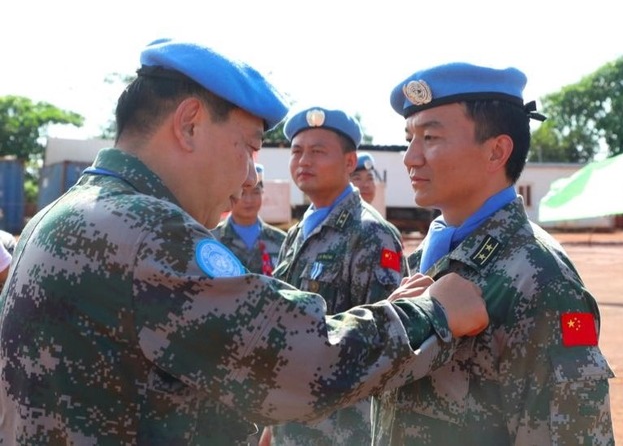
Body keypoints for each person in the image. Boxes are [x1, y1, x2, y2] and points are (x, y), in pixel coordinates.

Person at [0, 38, 488, 445]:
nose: (252, 171)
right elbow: (295, 361)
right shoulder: (147, 231)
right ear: (189, 124)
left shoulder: (64, 214)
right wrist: (432, 313)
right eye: (249, 147)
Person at [371, 62, 615, 445]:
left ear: (497, 151)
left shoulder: (541, 280)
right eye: (409, 139)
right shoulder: (423, 262)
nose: (410, 158)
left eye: (430, 137)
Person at [268, 107, 409, 445]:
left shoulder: (371, 235)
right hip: (293, 421)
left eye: (318, 152)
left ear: (349, 163)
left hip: (344, 431)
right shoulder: (297, 233)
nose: (304, 161)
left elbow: (385, 340)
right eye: (297, 151)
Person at [212, 163, 287, 275]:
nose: (249, 200)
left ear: (262, 193)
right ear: (231, 195)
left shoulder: (281, 241)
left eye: (255, 192)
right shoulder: (212, 239)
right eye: (242, 193)